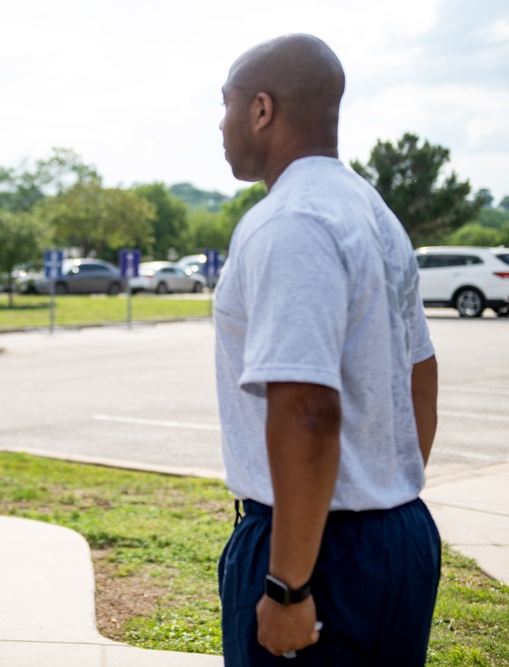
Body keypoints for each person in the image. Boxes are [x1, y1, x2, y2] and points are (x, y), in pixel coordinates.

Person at [213, 35, 440, 665]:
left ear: (262, 110)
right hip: (396, 533)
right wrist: (382, 492)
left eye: (225, 104)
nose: (221, 124)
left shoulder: (293, 221)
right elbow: (421, 373)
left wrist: (289, 585)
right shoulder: (372, 212)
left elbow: (307, 408)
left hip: (317, 555)